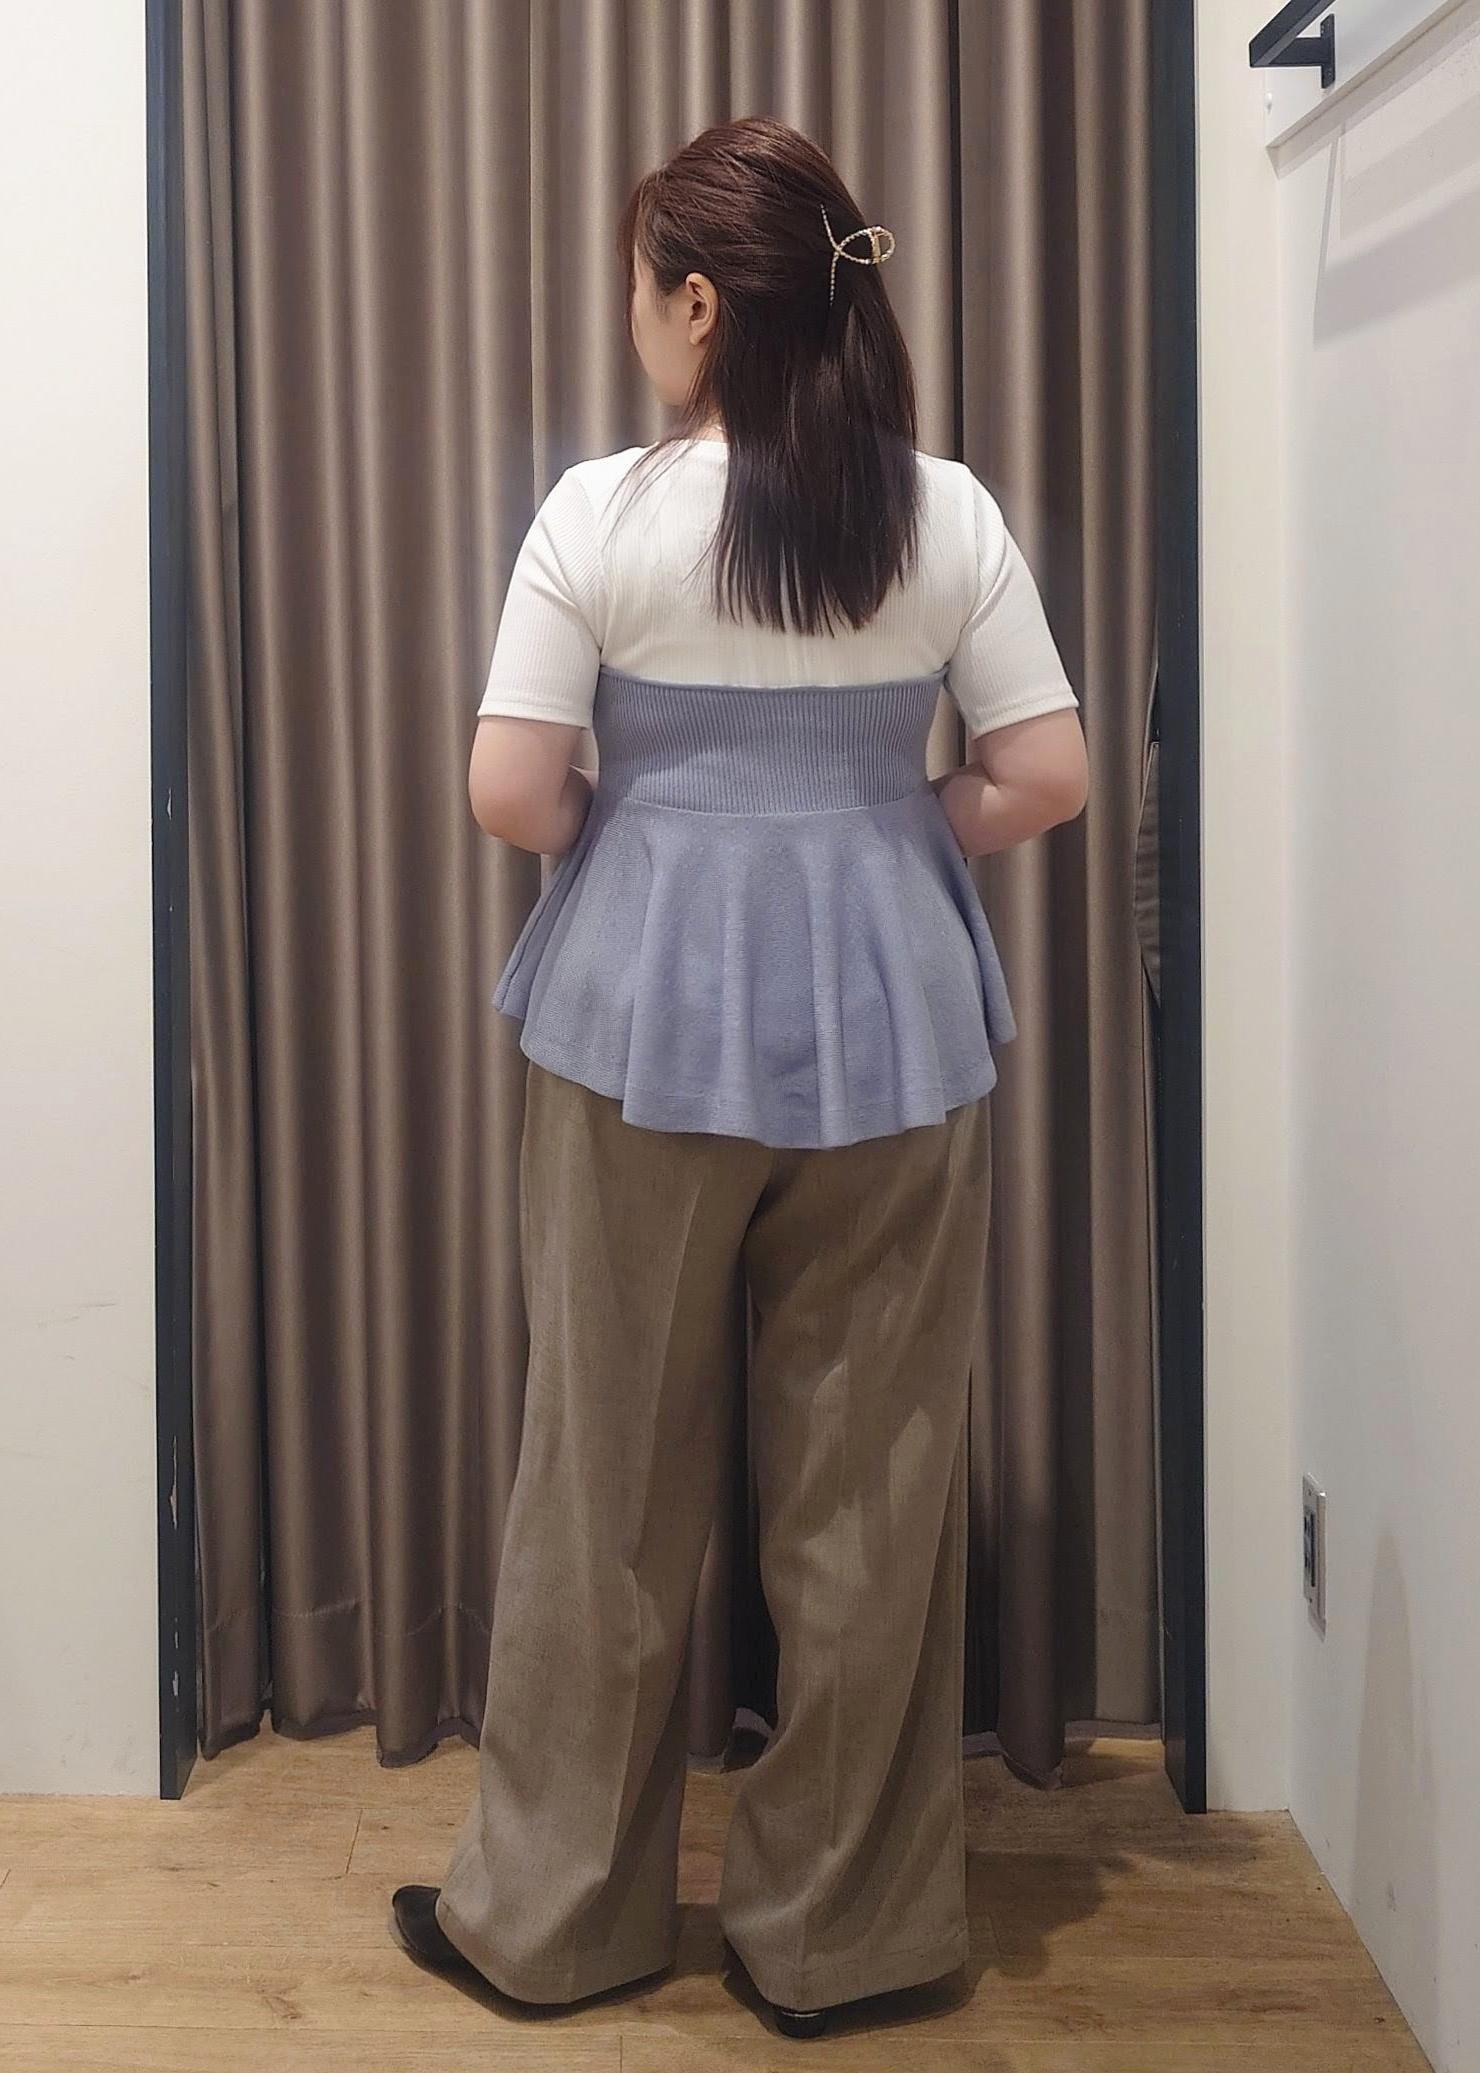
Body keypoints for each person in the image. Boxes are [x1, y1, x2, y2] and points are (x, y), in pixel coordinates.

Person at [391, 114, 1088, 2042]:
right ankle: (842, 1939)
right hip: (897, 1027)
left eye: (642, 287)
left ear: (698, 306)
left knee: (603, 1477)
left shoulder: (599, 516)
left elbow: (509, 790)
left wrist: (651, 834)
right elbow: (1044, 775)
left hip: (637, 1024)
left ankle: (556, 1921)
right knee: (871, 1488)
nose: (631, 317)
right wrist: (890, 826)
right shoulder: (941, 511)